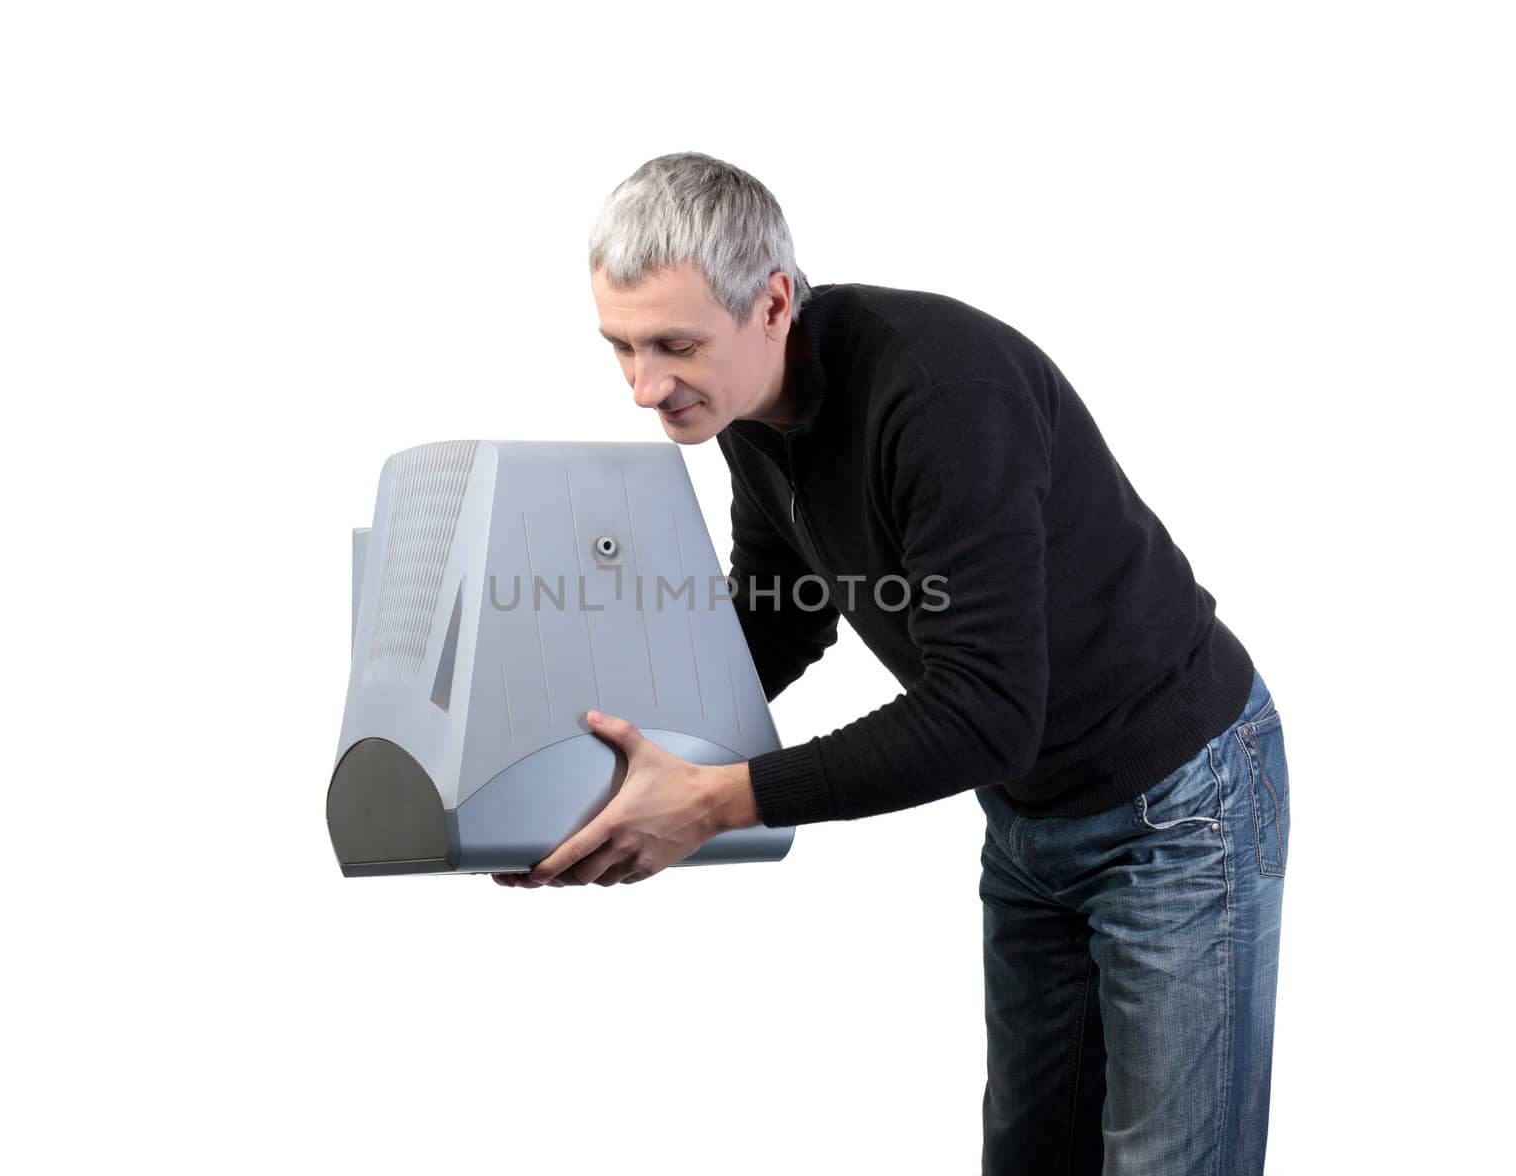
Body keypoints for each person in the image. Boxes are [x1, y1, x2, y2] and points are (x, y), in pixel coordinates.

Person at [503, 150, 1291, 1176]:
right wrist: (608, 764)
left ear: (773, 301)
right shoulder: (744, 412)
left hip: (1178, 805)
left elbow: (982, 713)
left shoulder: (940, 396)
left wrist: (713, 800)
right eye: (620, 347)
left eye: (674, 346)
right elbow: (785, 616)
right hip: (1032, 820)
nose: (646, 388)